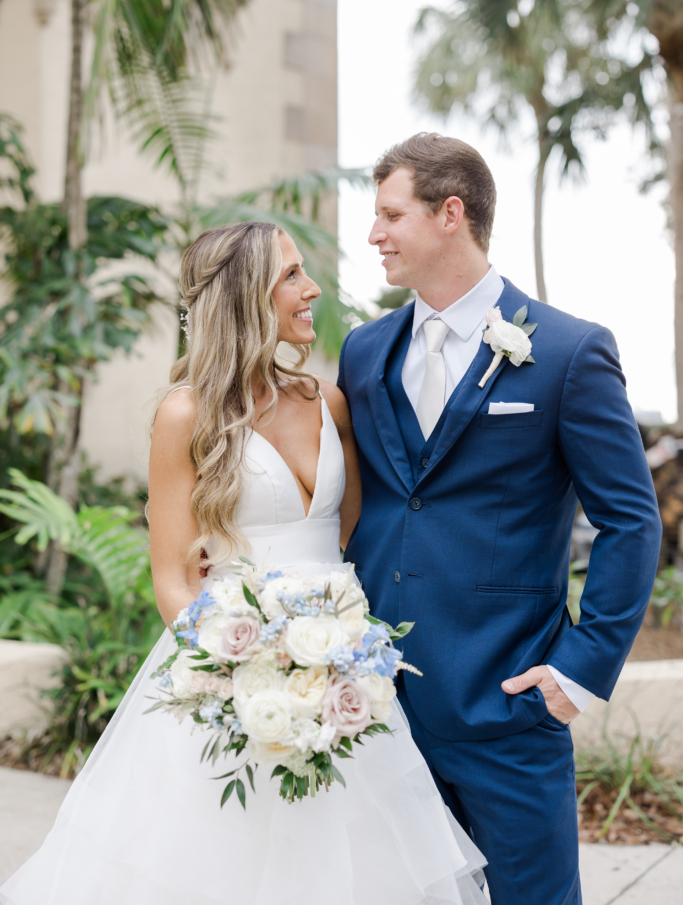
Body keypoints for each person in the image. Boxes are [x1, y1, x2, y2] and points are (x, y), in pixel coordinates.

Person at [0, 221, 487, 905]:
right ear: (243, 295)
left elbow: (353, 540)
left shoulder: (328, 402)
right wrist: (244, 678)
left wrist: (326, 666)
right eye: (291, 275)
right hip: (223, 684)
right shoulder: (185, 415)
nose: (311, 288)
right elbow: (171, 576)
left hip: (340, 679)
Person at [337, 132, 662, 905]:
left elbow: (629, 520)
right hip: (376, 713)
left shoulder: (567, 352)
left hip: (505, 705)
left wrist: (579, 670)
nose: (373, 235)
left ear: (450, 213)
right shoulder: (363, 352)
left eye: (389, 215)